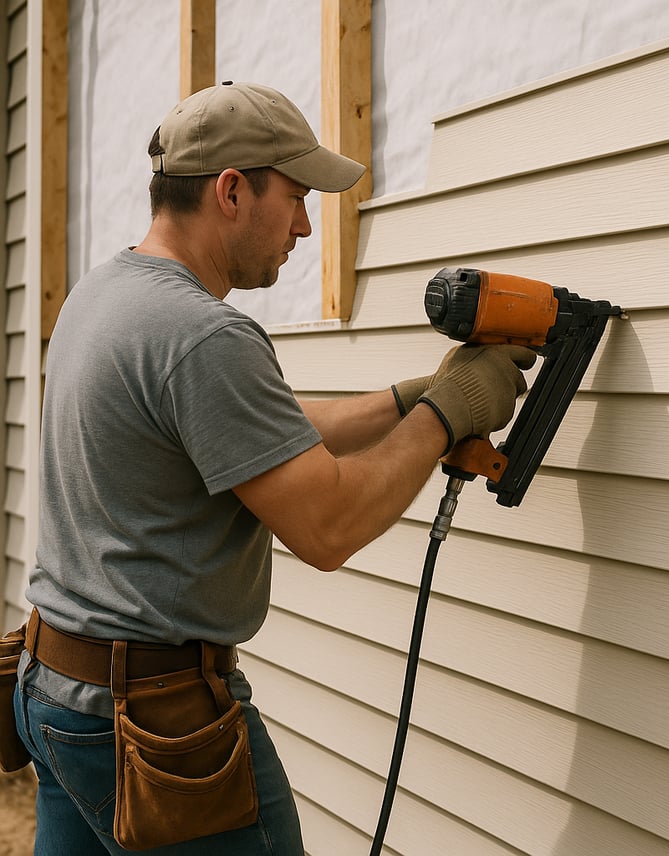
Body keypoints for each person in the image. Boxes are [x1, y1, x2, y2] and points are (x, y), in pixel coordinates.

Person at [12, 82, 535, 854]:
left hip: (56, 692)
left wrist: (405, 401)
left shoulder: (106, 293)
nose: (302, 225)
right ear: (231, 190)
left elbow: (253, 437)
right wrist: (448, 413)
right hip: (156, 730)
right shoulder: (202, 335)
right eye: (294, 197)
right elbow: (328, 526)